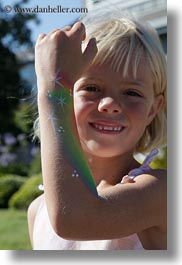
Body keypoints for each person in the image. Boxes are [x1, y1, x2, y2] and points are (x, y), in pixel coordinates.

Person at [27, 11, 167, 250]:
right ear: (69, 99)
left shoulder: (158, 191)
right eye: (92, 88)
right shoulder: (38, 209)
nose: (110, 104)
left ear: (153, 110)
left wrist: (53, 89)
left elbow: (74, 218)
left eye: (132, 93)